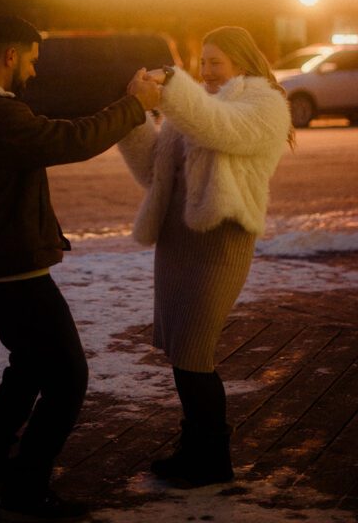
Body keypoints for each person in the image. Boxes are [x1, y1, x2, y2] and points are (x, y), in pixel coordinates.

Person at [0, 14, 160, 523]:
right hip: (7, 271)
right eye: (32, 60)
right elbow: (69, 140)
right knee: (68, 377)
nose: (35, 72)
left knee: (29, 364)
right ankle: (26, 487)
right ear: (11, 55)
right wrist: (135, 106)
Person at [118, 25, 293, 487]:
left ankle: (213, 457)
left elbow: (221, 129)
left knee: (196, 351)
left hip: (220, 242)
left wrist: (174, 88)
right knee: (181, 352)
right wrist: (132, 112)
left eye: (216, 63)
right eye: (202, 63)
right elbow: (152, 171)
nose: (207, 72)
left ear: (242, 62)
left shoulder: (263, 104)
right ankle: (193, 447)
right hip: (178, 243)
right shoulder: (190, 110)